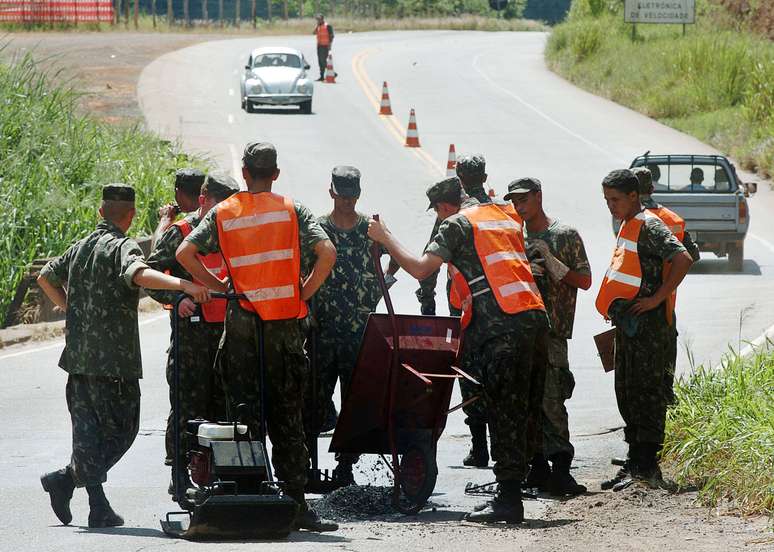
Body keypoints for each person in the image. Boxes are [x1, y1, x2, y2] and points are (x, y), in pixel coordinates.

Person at [368, 171, 550, 524]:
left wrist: (385, 236)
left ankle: (509, 499)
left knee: (504, 412)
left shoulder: (456, 224)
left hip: (501, 328)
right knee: (526, 409)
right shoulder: (502, 214)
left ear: (444, 206)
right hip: (533, 318)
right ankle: (527, 477)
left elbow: (422, 270)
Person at [176, 142, 339, 533]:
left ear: (245, 173)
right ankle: (296, 505)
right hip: (283, 330)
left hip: (242, 330)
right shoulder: (292, 210)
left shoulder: (225, 211)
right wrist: (304, 292)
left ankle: (248, 498)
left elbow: (184, 253)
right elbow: (327, 252)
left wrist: (220, 287)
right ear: (276, 174)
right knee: (288, 417)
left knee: (243, 417)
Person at [38, 184, 210, 529]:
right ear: (130, 216)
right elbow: (139, 273)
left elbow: (45, 277)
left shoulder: (80, 246)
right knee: (124, 430)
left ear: (101, 212)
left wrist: (71, 309)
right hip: (114, 362)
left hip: (79, 359)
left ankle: (87, 498)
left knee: (87, 435)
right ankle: (72, 484)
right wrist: (185, 285)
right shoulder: (123, 246)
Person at [596, 169, 693, 491]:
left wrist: (657, 299)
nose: (610, 206)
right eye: (607, 200)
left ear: (633, 196)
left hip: (649, 329)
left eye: (615, 199)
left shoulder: (649, 224)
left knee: (647, 395)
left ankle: (647, 467)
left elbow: (683, 258)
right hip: (631, 327)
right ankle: (635, 463)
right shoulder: (629, 223)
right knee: (628, 393)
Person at [145, 172, 240, 498]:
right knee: (187, 407)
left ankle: (223, 475)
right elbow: (149, 274)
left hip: (228, 336)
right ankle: (180, 473)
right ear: (203, 200)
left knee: (226, 409)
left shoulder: (233, 232)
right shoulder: (181, 233)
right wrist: (177, 299)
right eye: (220, 205)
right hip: (192, 339)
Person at [304, 166, 400, 485]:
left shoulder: (369, 228)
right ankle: (306, 467)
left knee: (354, 403)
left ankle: (345, 468)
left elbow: (395, 253)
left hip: (359, 331)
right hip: (322, 329)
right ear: (332, 192)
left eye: (352, 196)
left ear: (358, 194)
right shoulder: (317, 228)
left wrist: (383, 281)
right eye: (342, 195)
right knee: (313, 400)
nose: (347, 201)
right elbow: (301, 267)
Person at [504, 177, 591, 497]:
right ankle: (537, 466)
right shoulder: (513, 236)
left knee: (552, 401)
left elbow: (585, 280)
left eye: (524, 199)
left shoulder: (564, 234)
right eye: (514, 202)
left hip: (552, 333)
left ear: (538, 197)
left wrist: (551, 261)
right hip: (522, 332)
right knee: (526, 404)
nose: (519, 206)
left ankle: (561, 470)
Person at [154, 168, 206, 245]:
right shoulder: (215, 215)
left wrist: (164, 220)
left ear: (178, 193)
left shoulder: (179, 231)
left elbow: (156, 248)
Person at [313, 14, 334, 82]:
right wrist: (317, 26)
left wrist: (330, 44)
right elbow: (313, 33)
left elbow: (331, 36)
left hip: (325, 46)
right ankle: (322, 76)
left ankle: (333, 73)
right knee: (320, 62)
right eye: (317, 19)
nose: (318, 20)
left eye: (319, 19)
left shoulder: (327, 26)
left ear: (322, 19)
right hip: (319, 46)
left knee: (323, 61)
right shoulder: (318, 26)